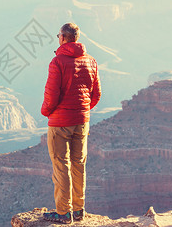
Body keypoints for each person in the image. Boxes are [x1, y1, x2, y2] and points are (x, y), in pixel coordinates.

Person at [41, 22, 101, 224]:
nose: (58, 38)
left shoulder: (57, 62)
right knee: (79, 164)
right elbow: (96, 94)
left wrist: (46, 112)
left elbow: (51, 94)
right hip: (82, 121)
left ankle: (63, 213)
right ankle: (79, 210)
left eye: (58, 35)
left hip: (60, 122)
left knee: (61, 165)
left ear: (63, 38)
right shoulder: (91, 61)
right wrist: (82, 110)